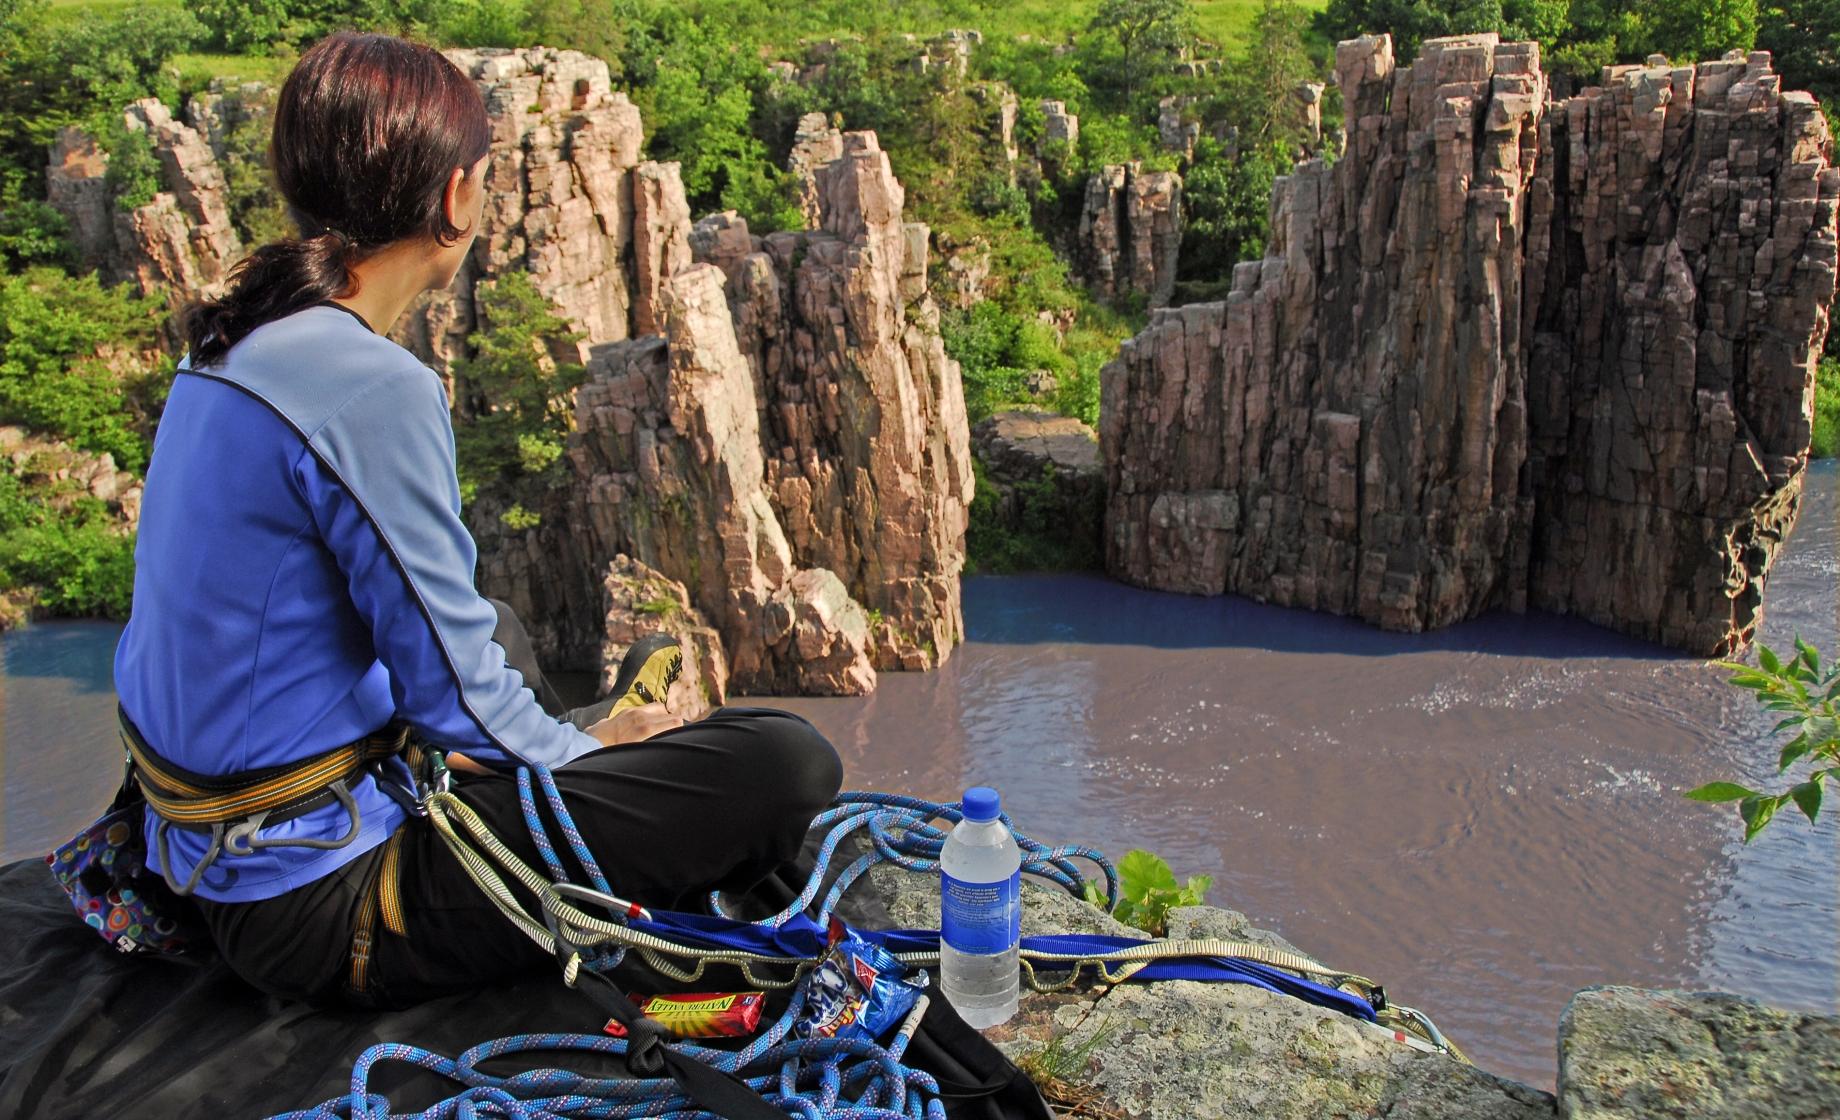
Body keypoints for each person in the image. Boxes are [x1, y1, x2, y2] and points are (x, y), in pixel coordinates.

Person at [111, 30, 843, 1009]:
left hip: (199, 843)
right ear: (456, 197)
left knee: (494, 624)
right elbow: (457, 697)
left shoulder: (231, 340)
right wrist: (599, 754)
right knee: (783, 762)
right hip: (315, 902)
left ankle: (572, 751)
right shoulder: (368, 385)